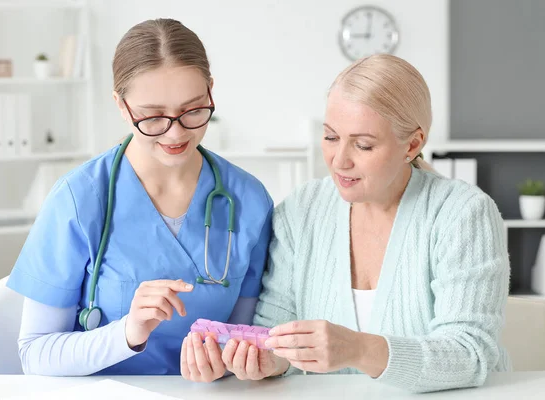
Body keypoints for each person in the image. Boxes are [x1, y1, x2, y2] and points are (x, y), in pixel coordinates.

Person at [219, 54, 511, 393]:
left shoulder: (463, 214)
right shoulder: (301, 210)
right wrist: (271, 361)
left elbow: (469, 354)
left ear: (412, 144)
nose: (340, 160)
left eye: (363, 145)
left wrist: (358, 349)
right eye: (330, 137)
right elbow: (276, 329)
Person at [6, 18, 273, 378]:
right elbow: (35, 354)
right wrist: (128, 332)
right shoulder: (79, 199)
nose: (176, 132)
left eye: (193, 110)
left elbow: (244, 338)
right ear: (120, 104)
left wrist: (229, 365)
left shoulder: (249, 201)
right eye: (152, 117)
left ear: (211, 91)